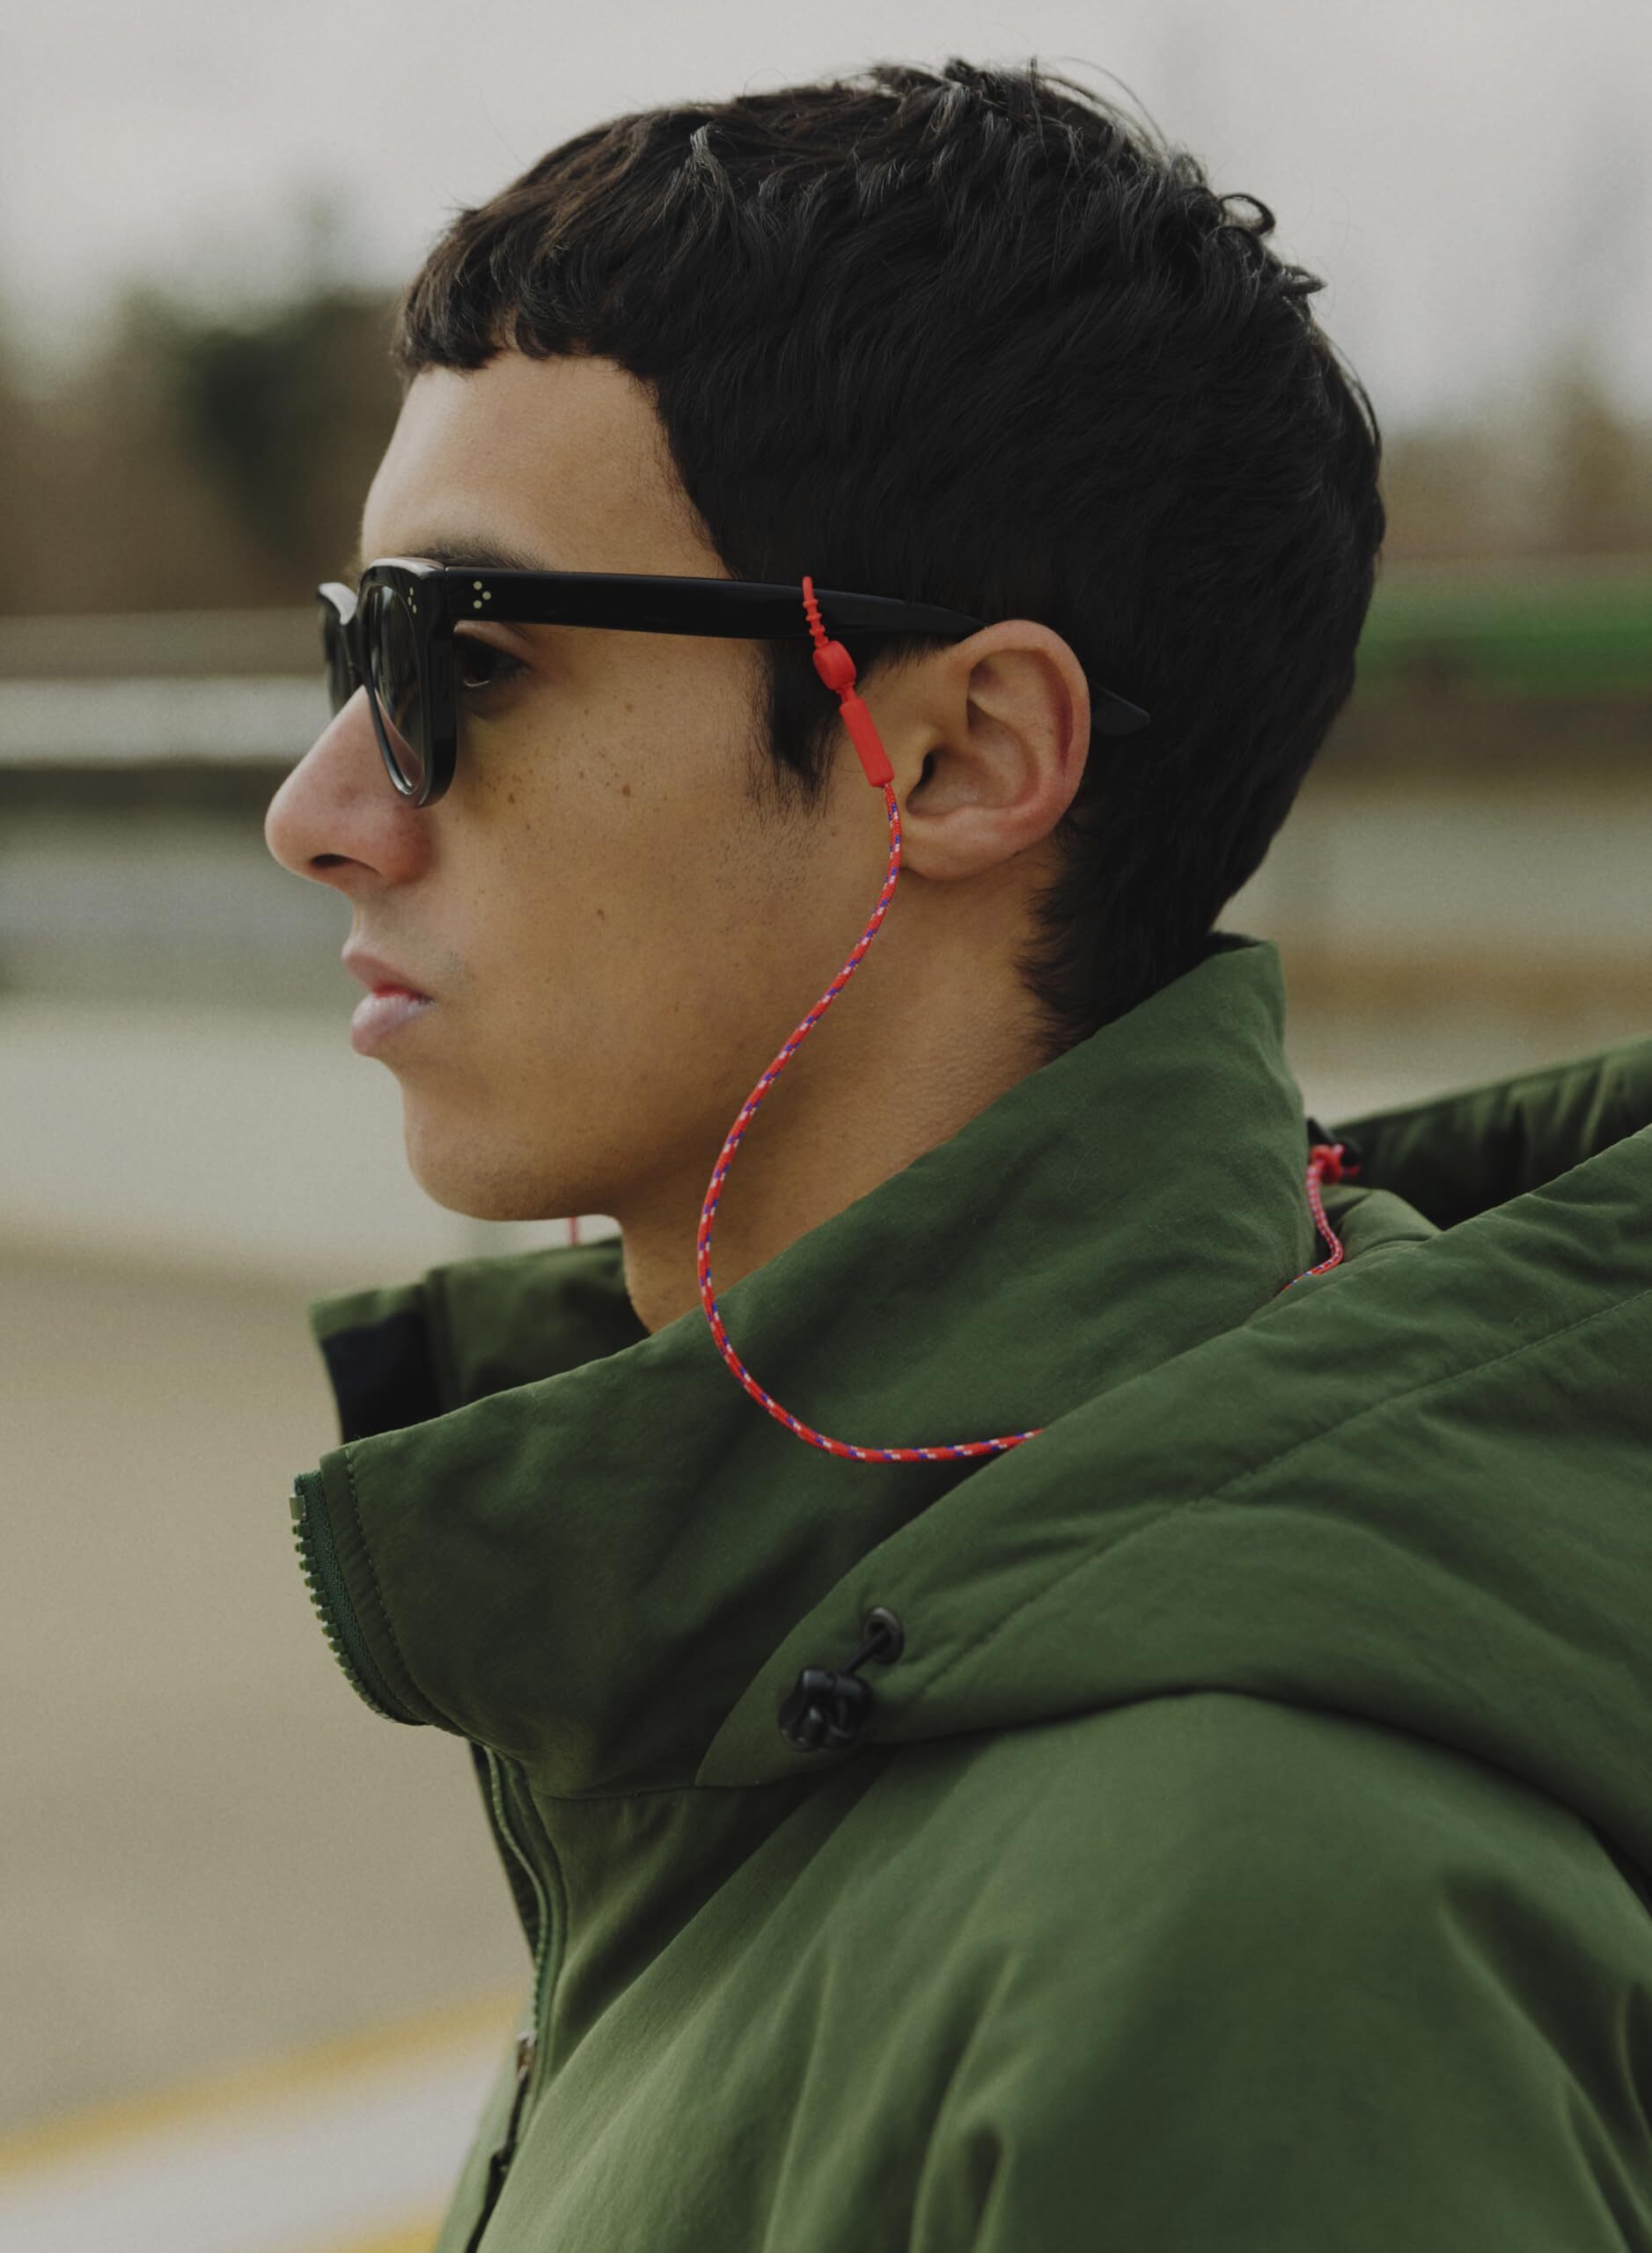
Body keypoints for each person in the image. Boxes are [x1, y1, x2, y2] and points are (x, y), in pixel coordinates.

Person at [263, 56, 1652, 2253]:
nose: (323, 805)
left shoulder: (1252, 1908)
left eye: (466, 656)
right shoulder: (796, 1621)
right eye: (354, 644)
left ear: (963, 753)